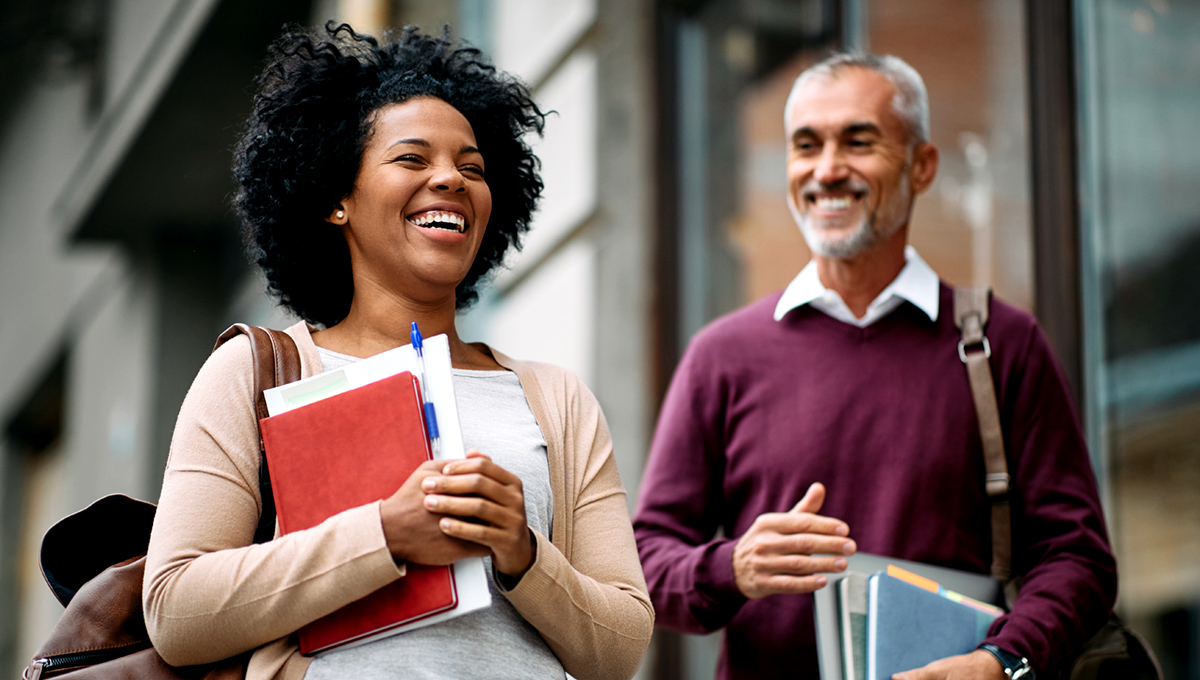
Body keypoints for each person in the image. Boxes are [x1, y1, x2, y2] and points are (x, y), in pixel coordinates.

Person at [142, 24, 652, 680]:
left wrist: (524, 554)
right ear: (336, 199)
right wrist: (384, 534)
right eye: (413, 159)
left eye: (473, 167)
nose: (451, 180)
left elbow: (621, 650)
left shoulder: (557, 400)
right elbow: (177, 612)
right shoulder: (251, 374)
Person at [632, 52, 1115, 680]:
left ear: (922, 165)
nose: (827, 170)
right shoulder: (721, 355)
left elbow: (1078, 556)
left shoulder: (1003, 341)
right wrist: (732, 567)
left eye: (858, 142)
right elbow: (641, 564)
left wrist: (1000, 663)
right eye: (806, 146)